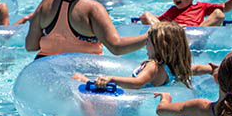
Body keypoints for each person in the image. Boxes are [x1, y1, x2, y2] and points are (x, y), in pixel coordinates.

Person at [73, 21, 212, 90]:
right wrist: (212, 69)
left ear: (160, 46)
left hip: (124, 101)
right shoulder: (172, 68)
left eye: (148, 42)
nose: (145, 45)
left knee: (78, 79)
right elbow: (196, 69)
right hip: (135, 103)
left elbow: (137, 82)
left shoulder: (153, 67)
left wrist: (111, 78)